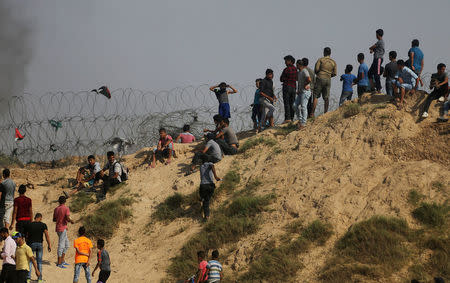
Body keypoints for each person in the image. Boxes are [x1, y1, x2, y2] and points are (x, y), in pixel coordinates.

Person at [23, 213, 51, 283]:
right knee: (39, 262)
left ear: (35, 217)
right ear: (40, 218)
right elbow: (47, 235)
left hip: (31, 244)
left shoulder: (29, 224)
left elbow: (26, 235)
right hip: (39, 245)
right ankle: (39, 279)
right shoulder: (43, 225)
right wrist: (49, 244)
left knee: (30, 261)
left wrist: (27, 242)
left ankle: (28, 278)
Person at [313, 47, 337, 115]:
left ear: (324, 52)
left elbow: (316, 70)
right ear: (330, 53)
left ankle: (312, 113)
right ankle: (325, 113)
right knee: (326, 97)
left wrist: (320, 74)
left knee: (316, 96)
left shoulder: (320, 60)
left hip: (320, 78)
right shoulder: (333, 62)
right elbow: (335, 73)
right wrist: (328, 75)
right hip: (328, 79)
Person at [53, 195, 74, 268]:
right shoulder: (66, 208)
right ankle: (59, 262)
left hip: (58, 228)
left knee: (67, 244)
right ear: (65, 201)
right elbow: (68, 218)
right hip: (63, 228)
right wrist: (71, 221)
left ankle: (62, 260)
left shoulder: (56, 209)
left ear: (59, 201)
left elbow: (54, 219)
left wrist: (60, 218)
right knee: (61, 245)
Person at [199, 154, 220, 222]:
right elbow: (212, 166)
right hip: (211, 185)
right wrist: (215, 176)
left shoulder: (201, 166)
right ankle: (204, 200)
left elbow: (211, 166)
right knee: (207, 199)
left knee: (205, 199)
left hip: (203, 186)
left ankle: (206, 216)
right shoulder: (210, 164)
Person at [294, 58, 312, 129]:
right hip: (301, 92)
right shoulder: (299, 72)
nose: (296, 66)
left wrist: (305, 85)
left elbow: (309, 79)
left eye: (296, 65)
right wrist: (299, 90)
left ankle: (303, 123)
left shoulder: (304, 71)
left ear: (299, 65)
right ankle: (300, 120)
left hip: (305, 92)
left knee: (303, 106)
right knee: (295, 105)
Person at [280, 55, 297, 123]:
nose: (285, 62)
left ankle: (287, 118)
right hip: (293, 87)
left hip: (287, 87)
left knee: (286, 103)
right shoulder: (295, 69)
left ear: (290, 61)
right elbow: (297, 78)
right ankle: (292, 118)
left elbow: (281, 79)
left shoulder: (286, 69)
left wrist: (285, 79)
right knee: (292, 103)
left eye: (286, 61)